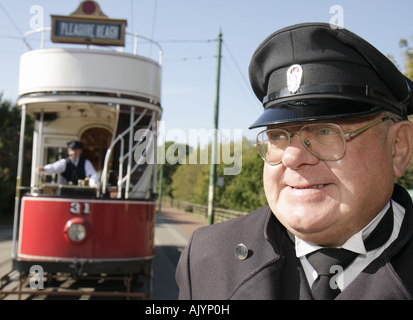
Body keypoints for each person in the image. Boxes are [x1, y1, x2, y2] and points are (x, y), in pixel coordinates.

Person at [176, 22, 413, 300]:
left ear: (398, 147)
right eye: (277, 136)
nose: (291, 157)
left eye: (326, 131)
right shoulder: (208, 257)